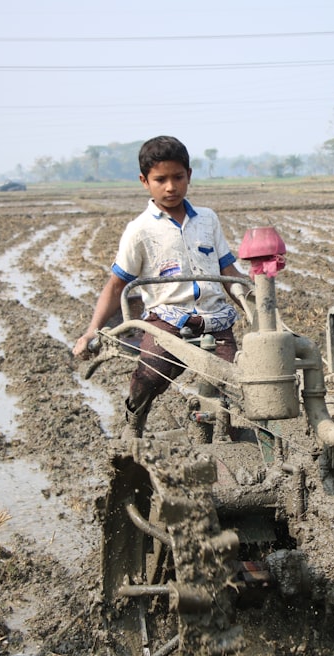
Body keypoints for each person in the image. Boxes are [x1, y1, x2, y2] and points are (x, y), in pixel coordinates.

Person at [72, 135, 246, 435]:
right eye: (160, 179)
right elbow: (116, 287)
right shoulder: (140, 230)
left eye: (178, 177)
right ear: (144, 181)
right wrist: (91, 331)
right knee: (150, 376)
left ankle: (222, 436)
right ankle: (134, 423)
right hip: (167, 320)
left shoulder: (207, 220)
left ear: (189, 175)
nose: (170, 187)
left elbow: (228, 271)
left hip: (214, 318)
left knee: (230, 382)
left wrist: (258, 301)